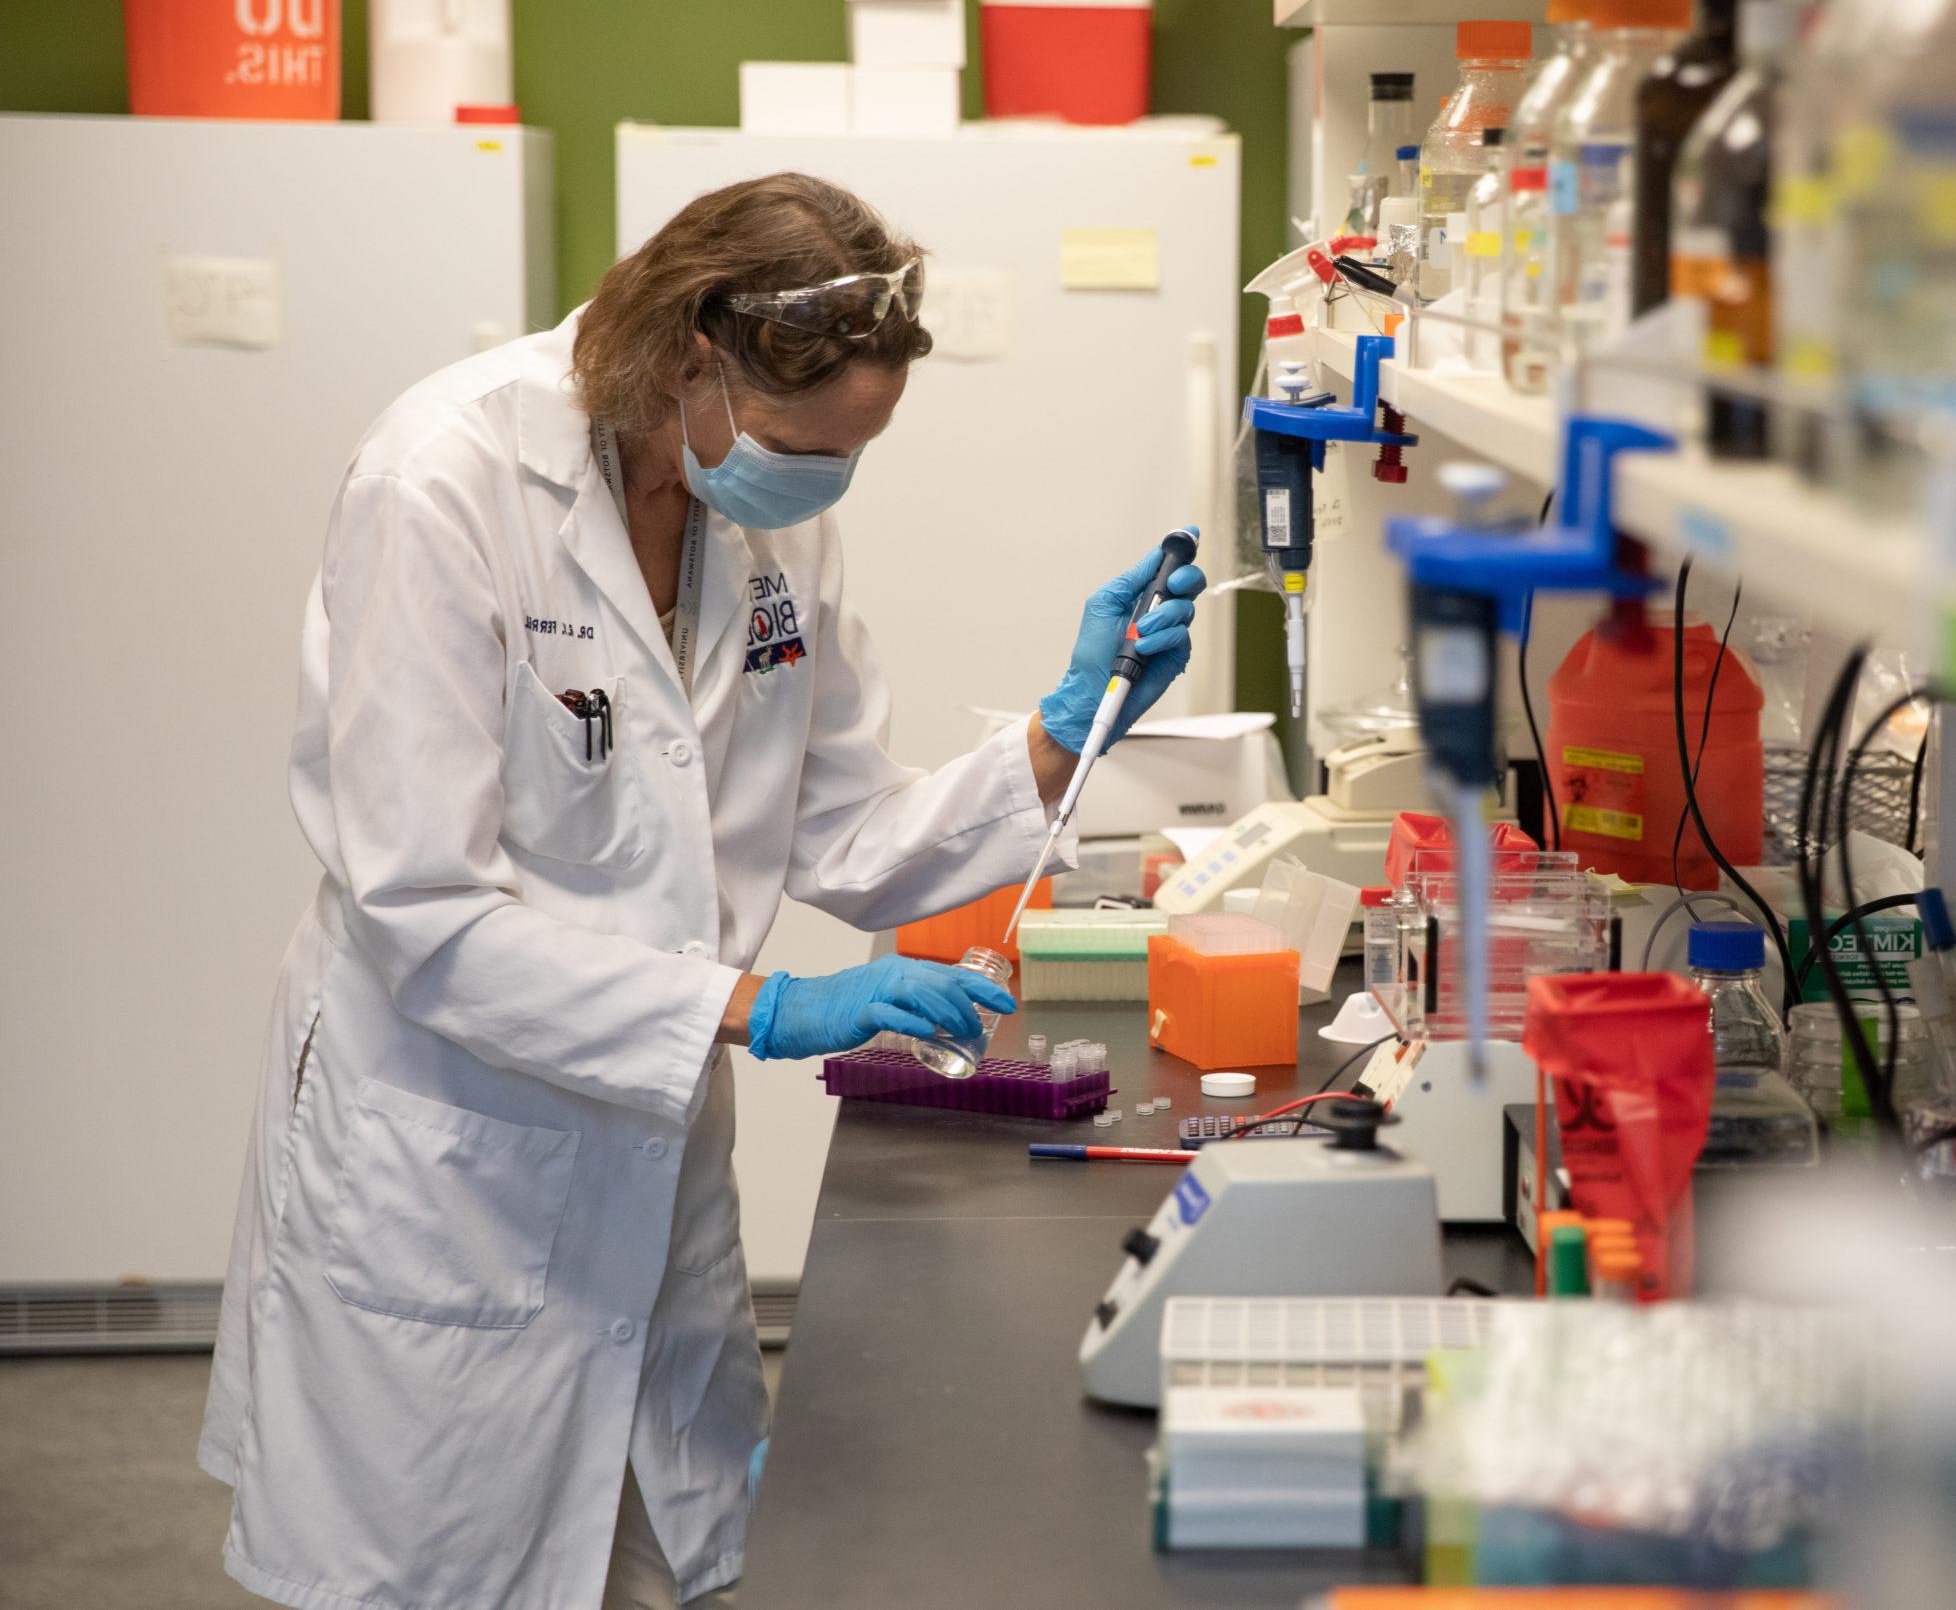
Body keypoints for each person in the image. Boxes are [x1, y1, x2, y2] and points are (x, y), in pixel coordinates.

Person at [196, 172, 1205, 1610]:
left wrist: (1066, 730)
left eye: (854, 451)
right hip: (452, 1146)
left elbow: (847, 831)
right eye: (807, 444)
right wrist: (761, 1002)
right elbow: (421, 916)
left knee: (666, 1563)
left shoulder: (762, 508)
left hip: (650, 1152)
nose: (824, 481)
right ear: (690, 359)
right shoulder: (444, 480)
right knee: (442, 1571)